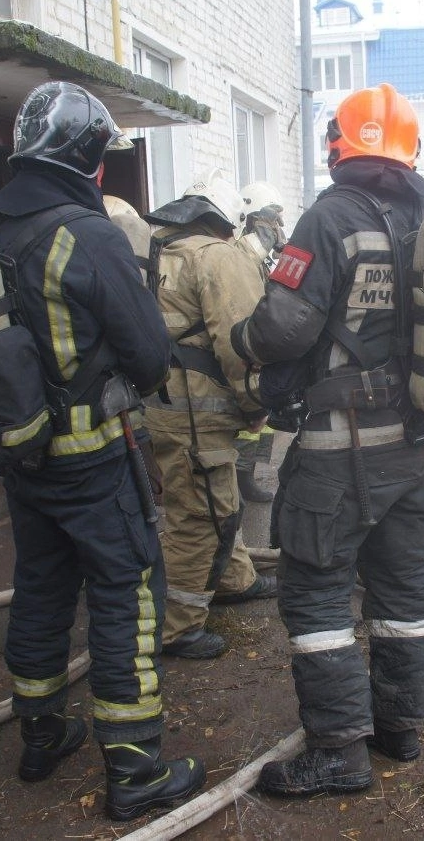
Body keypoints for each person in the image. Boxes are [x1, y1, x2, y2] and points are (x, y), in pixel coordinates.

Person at [0, 81, 203, 821]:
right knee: (127, 593)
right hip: (94, 457)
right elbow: (148, 355)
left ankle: (42, 738)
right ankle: (136, 769)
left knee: (41, 585)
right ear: (84, 157)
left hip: (23, 459)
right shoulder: (87, 231)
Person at [230, 83, 424, 797]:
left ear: (338, 144)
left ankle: (339, 753)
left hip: (339, 448)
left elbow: (282, 328)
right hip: (418, 445)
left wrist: (243, 336)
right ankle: (401, 729)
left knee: (317, 595)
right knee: (403, 592)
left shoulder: (329, 218)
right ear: (408, 149)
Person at [142, 174, 279, 660]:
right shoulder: (217, 256)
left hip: (165, 406)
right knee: (200, 517)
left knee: (214, 496)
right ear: (224, 220)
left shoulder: (156, 251)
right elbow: (241, 341)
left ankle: (234, 579)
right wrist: (257, 405)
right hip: (202, 412)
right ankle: (178, 627)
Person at [233, 181, 288, 503]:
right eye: (271, 220)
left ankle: (248, 476)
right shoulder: (240, 248)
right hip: (245, 341)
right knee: (247, 419)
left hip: (262, 340)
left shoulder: (261, 253)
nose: (276, 227)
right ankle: (240, 480)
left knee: (265, 418)